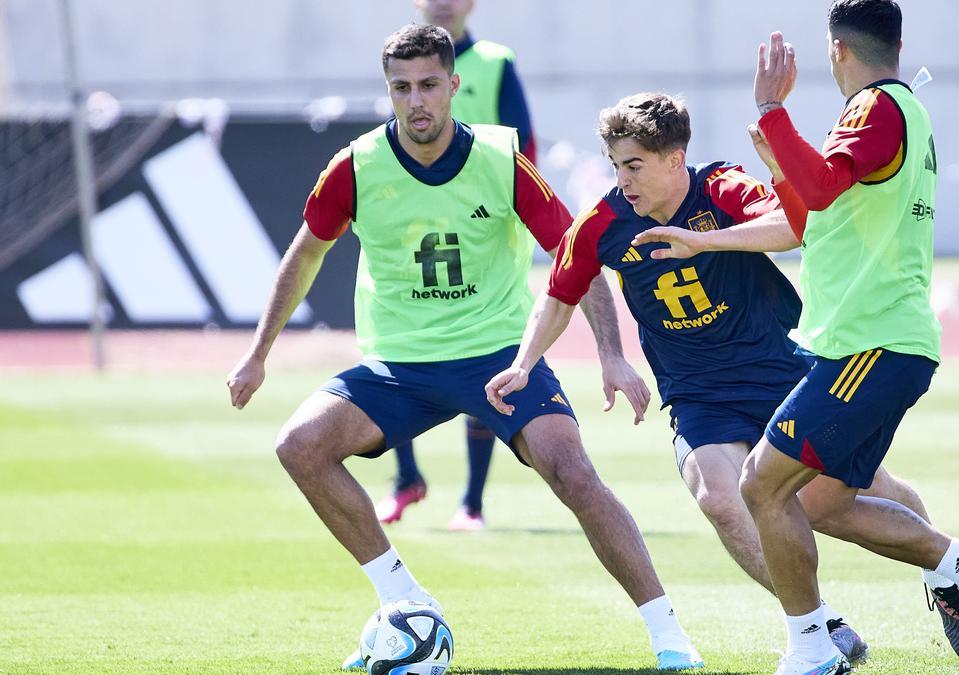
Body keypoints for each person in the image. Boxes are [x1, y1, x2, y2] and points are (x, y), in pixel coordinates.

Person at [225, 24, 702, 672]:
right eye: (401, 88)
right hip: (399, 365)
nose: (416, 100)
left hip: (498, 356)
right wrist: (259, 353)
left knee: (572, 470)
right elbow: (304, 255)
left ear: (453, 85)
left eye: (428, 84)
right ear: (388, 91)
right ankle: (406, 601)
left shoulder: (500, 158)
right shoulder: (356, 167)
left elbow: (577, 250)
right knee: (299, 445)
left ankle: (669, 634)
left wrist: (611, 353)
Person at [484, 91, 959, 667]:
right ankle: (820, 628)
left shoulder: (719, 187)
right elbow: (559, 294)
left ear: (675, 159)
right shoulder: (604, 221)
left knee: (856, 495)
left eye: (635, 165)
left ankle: (944, 574)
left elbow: (790, 223)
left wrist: (711, 235)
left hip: (782, 372)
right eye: (617, 165)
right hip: (697, 395)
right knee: (718, 497)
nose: (624, 181)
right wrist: (530, 363)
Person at [629, 4, 959, 673]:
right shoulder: (897, 113)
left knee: (759, 485)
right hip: (871, 343)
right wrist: (739, 204)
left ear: (837, 50)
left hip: (871, 343)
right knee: (821, 499)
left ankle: (813, 648)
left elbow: (817, 189)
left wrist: (769, 109)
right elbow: (815, 214)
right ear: (896, 43)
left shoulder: (875, 108)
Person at [376, 0, 541, 531]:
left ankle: (471, 501)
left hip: (480, 222)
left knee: (481, 355)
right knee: (396, 347)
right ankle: (406, 479)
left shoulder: (495, 61)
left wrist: (514, 206)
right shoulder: (404, 64)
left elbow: (524, 146)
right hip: (417, 223)